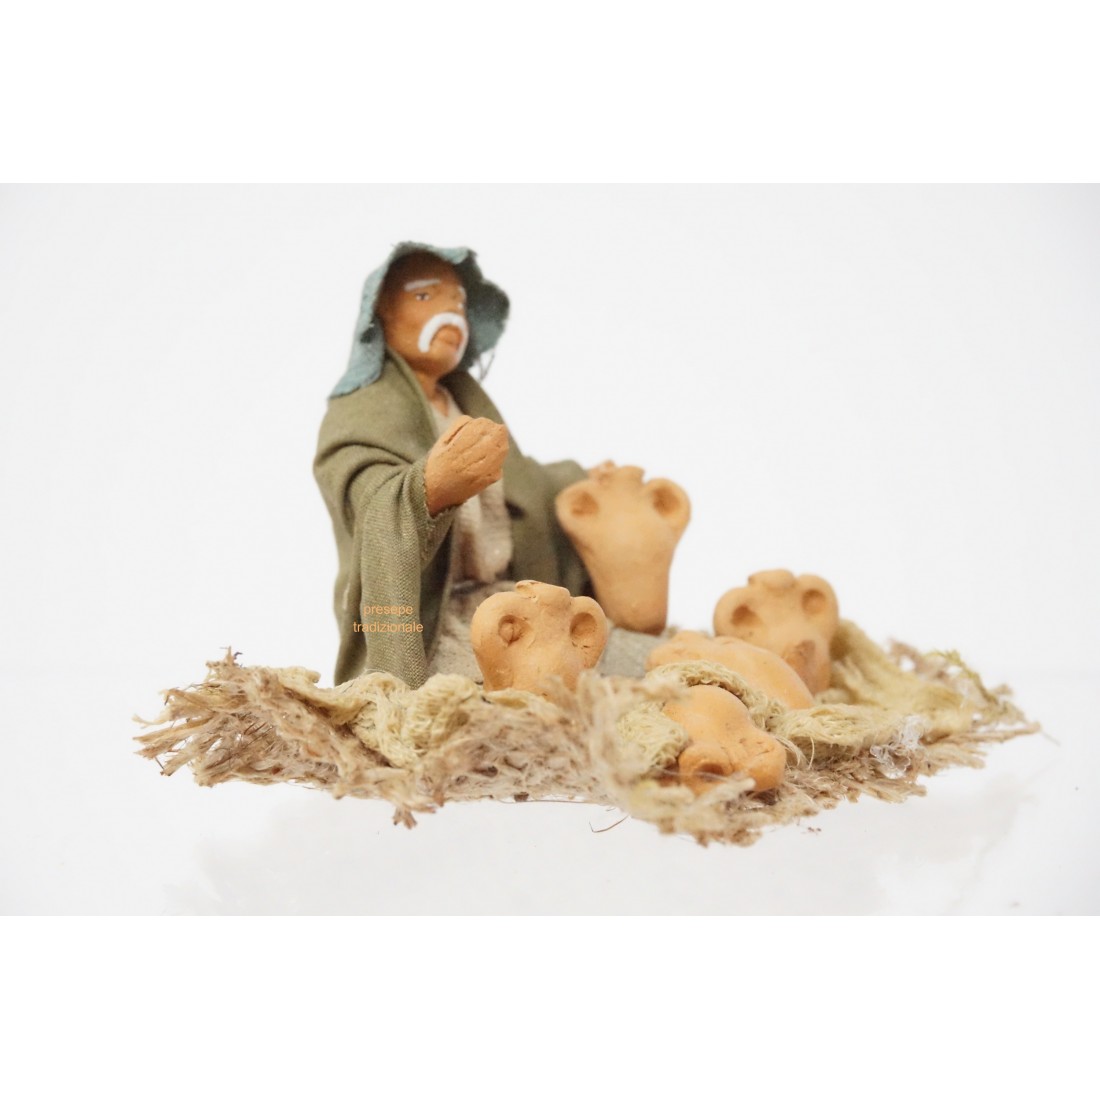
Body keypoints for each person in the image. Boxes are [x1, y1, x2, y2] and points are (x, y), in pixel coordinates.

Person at [314, 243, 592, 688]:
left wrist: (583, 484)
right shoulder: (362, 412)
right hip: (434, 619)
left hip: (510, 603)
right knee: (511, 698)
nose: (451, 313)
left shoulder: (465, 402)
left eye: (459, 304)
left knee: (628, 662)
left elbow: (523, 484)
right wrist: (429, 487)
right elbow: (370, 503)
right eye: (425, 296)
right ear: (381, 314)